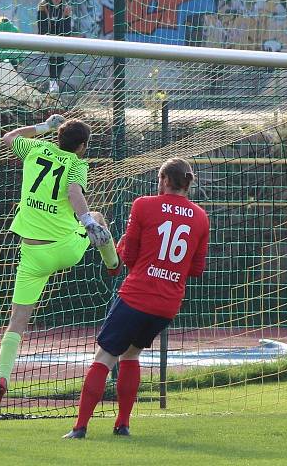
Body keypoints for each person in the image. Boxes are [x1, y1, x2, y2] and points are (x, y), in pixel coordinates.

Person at [63, 157, 209, 439]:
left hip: (137, 296)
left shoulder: (144, 204)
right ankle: (122, 424)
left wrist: (121, 250)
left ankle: (79, 427)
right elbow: (196, 269)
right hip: (167, 305)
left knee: (105, 356)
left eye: (159, 179)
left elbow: (127, 257)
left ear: (165, 180)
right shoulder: (201, 217)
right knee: (131, 354)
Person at [0, 115, 118, 415]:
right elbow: (73, 191)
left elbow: (8, 136)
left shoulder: (34, 150)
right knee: (97, 217)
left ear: (56, 138)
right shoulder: (77, 163)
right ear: (82, 146)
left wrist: (44, 126)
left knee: (17, 322)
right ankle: (113, 263)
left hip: (31, 254)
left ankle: (1, 378)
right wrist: (86, 220)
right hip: (63, 248)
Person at [37, 0, 72, 94]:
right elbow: (41, 24)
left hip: (60, 33)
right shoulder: (43, 5)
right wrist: (44, 37)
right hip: (49, 32)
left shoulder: (66, 6)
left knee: (60, 58)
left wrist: (65, 37)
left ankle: (56, 80)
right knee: (53, 57)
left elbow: (67, 27)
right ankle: (52, 80)